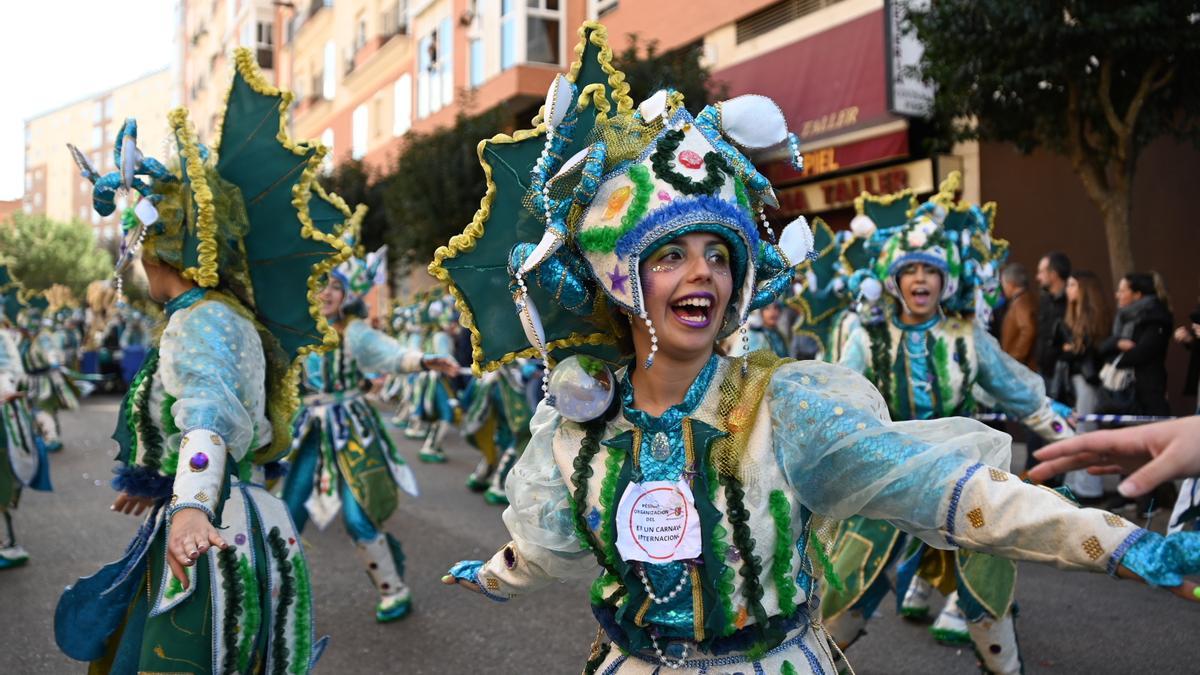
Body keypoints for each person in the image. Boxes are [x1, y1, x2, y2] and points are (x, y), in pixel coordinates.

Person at [433, 23, 1200, 675]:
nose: (703, 270)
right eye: (671, 255)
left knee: (969, 594)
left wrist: (1117, 541)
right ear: (620, 282)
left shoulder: (785, 406)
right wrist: (499, 571)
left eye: (720, 253)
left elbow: (953, 491)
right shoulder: (580, 421)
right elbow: (551, 538)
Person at [55, 51, 344, 673]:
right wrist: (165, 485)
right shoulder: (221, 313)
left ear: (162, 255)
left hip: (213, 525)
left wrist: (188, 502)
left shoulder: (202, 319)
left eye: (141, 246)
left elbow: (208, 416)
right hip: (231, 514)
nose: (136, 261)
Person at [824, 175, 1077, 673]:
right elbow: (839, 405)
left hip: (964, 477)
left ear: (947, 278)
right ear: (892, 278)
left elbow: (1024, 396)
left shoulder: (967, 337)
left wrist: (1078, 446)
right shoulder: (867, 335)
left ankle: (1005, 667)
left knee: (986, 595)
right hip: (886, 477)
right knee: (845, 593)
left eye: (930, 270)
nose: (920, 279)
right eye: (910, 268)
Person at [284, 235, 457, 622]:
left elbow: (390, 353)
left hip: (351, 431)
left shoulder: (355, 332)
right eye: (320, 284)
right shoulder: (294, 332)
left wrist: (425, 360)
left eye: (334, 286)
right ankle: (276, 592)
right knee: (288, 515)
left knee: (357, 515)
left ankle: (393, 591)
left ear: (345, 294)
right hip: (308, 433)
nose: (327, 293)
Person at [0, 271, 52, 570]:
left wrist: (7, 391)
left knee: (4, 482)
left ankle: (7, 544)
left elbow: (11, 375)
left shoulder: (5, 338)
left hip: (6, 421)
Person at [1054, 270, 1112, 500]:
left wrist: (1073, 351)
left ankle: (1089, 489)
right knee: (1076, 430)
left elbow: (1092, 353)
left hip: (1088, 382)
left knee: (1085, 431)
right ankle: (1075, 485)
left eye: (1072, 285)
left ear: (1084, 289)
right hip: (1073, 382)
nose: (1068, 289)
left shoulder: (1094, 318)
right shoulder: (1070, 318)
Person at [1100, 272, 1173, 416]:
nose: (1117, 295)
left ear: (1137, 294)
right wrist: (1117, 343)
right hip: (1124, 390)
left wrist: (1116, 357)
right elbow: (1103, 348)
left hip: (1147, 389)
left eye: (1122, 291)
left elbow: (1142, 352)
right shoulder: (1123, 318)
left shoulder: (1156, 318)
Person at [999, 262, 1038, 369]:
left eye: (1003, 283)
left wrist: (1014, 358)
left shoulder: (1021, 302)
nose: (1003, 288)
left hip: (1022, 365)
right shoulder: (1024, 299)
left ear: (1011, 284)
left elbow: (1028, 330)